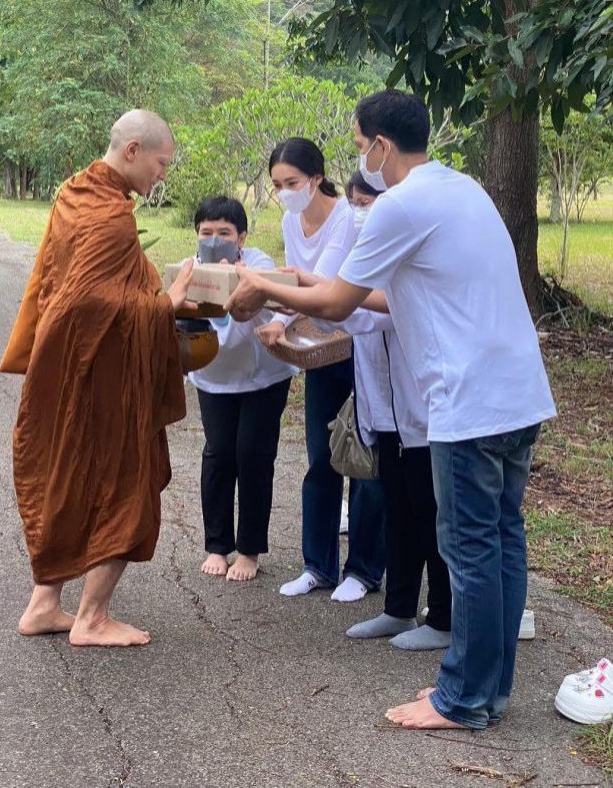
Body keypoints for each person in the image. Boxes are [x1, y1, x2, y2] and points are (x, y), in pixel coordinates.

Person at [228, 90, 556, 729]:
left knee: (468, 550)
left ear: (379, 145)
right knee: (501, 544)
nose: (360, 158)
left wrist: (262, 285)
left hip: (468, 402)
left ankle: (461, 698)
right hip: (517, 396)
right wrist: (288, 281)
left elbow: (335, 299)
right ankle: (490, 692)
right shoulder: (464, 189)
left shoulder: (398, 206)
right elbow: (380, 297)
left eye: (358, 146)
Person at [0, 110, 195, 648]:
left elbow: (57, 286)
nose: (163, 175)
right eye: (161, 163)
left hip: (59, 368)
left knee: (67, 475)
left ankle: (43, 605)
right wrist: (166, 306)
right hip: (100, 374)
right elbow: (87, 299)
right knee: (128, 479)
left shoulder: (74, 192)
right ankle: (91, 619)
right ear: (132, 150)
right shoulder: (110, 216)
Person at [259, 138, 385, 602]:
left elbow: (326, 286)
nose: (285, 192)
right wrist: (280, 318)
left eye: (291, 183)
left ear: (316, 178)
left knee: (364, 457)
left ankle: (365, 569)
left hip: (359, 346)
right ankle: (317, 564)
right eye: (277, 185)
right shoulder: (292, 218)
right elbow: (295, 278)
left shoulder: (347, 221)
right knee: (321, 456)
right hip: (320, 347)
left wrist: (276, 316)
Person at [342, 172, 452, 652]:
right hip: (385, 411)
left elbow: (382, 308)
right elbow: (352, 317)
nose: (361, 211)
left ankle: (444, 617)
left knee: (431, 514)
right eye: (355, 202)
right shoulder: (362, 255)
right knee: (398, 512)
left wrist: (330, 291)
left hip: (425, 411)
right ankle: (399, 609)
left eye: (368, 201)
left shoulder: (412, 251)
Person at [186, 196, 297, 582]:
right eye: (206, 232)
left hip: (262, 376)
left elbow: (277, 302)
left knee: (252, 455)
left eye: (224, 233)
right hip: (213, 376)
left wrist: (241, 278)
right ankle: (218, 545)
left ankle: (249, 550)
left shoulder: (259, 265)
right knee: (218, 456)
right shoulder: (189, 269)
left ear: (242, 237)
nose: (214, 239)